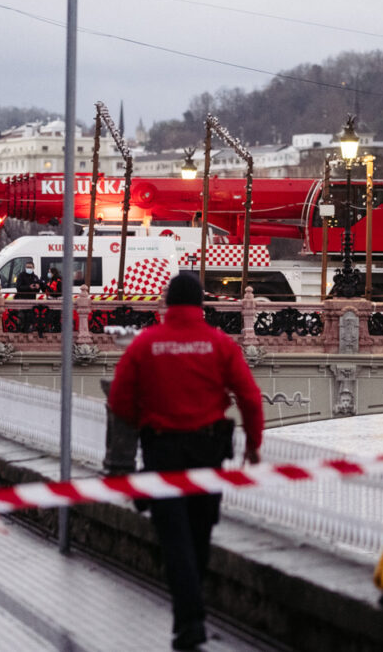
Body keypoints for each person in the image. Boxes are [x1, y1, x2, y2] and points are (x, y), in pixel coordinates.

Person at [107, 272, 264, 650]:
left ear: (166, 303)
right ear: (201, 305)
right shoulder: (219, 344)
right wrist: (253, 446)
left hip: (162, 453)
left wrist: (139, 427)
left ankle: (189, 620)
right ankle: (192, 616)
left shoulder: (146, 344)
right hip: (208, 451)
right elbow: (250, 397)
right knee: (200, 533)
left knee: (173, 537)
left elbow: (119, 399)